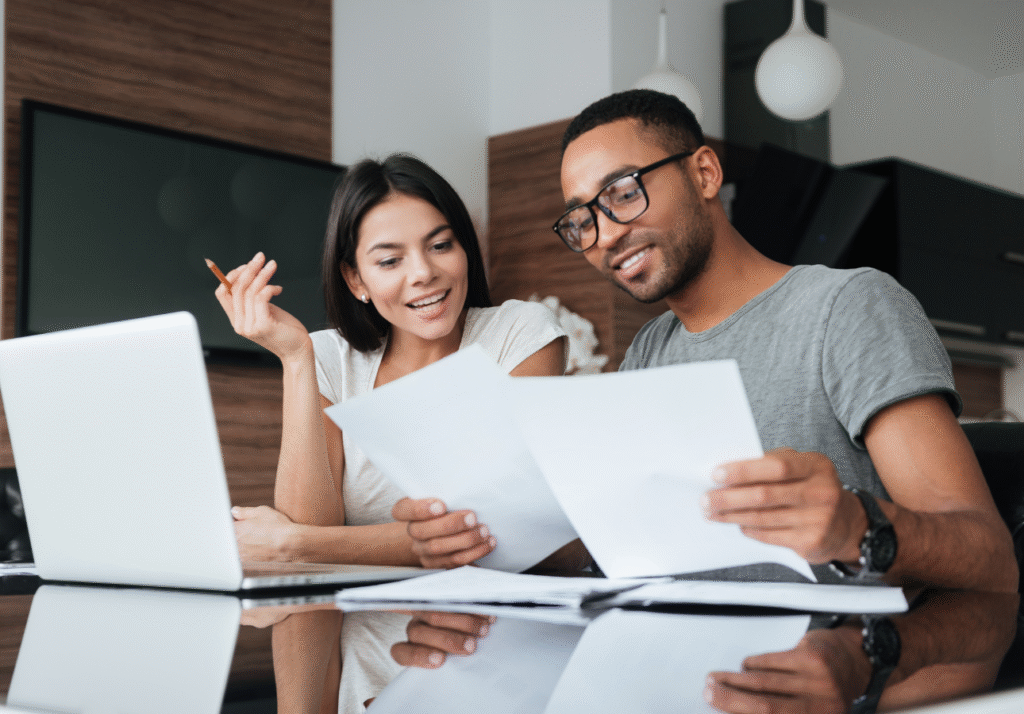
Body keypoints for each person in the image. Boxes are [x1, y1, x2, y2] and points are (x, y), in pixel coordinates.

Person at [393, 89, 1017, 597]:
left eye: (623, 192)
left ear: (705, 172)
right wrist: (481, 537)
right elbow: (630, 544)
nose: (605, 235)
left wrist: (860, 526)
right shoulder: (649, 350)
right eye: (582, 220)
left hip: (842, 668)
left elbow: (990, 558)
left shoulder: (847, 307)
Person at [214, 153, 567, 711]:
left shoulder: (520, 335)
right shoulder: (329, 357)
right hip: (359, 670)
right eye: (389, 259)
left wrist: (293, 543)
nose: (423, 272)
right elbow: (317, 547)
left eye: (440, 245)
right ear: (355, 279)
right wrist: (295, 359)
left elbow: (496, 535)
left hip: (492, 662)